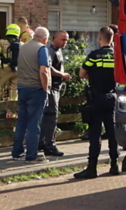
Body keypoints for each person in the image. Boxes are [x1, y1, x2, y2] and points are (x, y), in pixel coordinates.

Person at [75, 25, 118, 179]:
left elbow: (81, 73)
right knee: (112, 132)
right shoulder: (117, 56)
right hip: (112, 97)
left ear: (100, 38)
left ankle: (92, 168)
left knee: (95, 133)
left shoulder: (94, 55)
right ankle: (114, 165)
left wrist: (93, 76)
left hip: (97, 98)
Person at [12, 27, 51, 162]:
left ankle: (17, 152)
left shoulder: (23, 47)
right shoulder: (42, 49)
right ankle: (32, 154)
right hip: (36, 89)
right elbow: (43, 71)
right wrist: (45, 89)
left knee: (21, 122)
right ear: (45, 38)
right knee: (34, 123)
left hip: (22, 88)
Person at [40, 30, 72, 157]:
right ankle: (50, 145)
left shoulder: (57, 50)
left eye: (67, 40)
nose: (65, 42)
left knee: (48, 116)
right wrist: (62, 75)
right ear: (54, 38)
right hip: (51, 87)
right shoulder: (50, 50)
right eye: (63, 39)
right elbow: (47, 67)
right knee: (51, 116)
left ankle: (41, 142)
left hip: (56, 87)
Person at [0, 24, 22, 102]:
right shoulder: (22, 44)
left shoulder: (2, 42)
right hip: (17, 70)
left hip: (4, 69)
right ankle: (12, 111)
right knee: (14, 90)